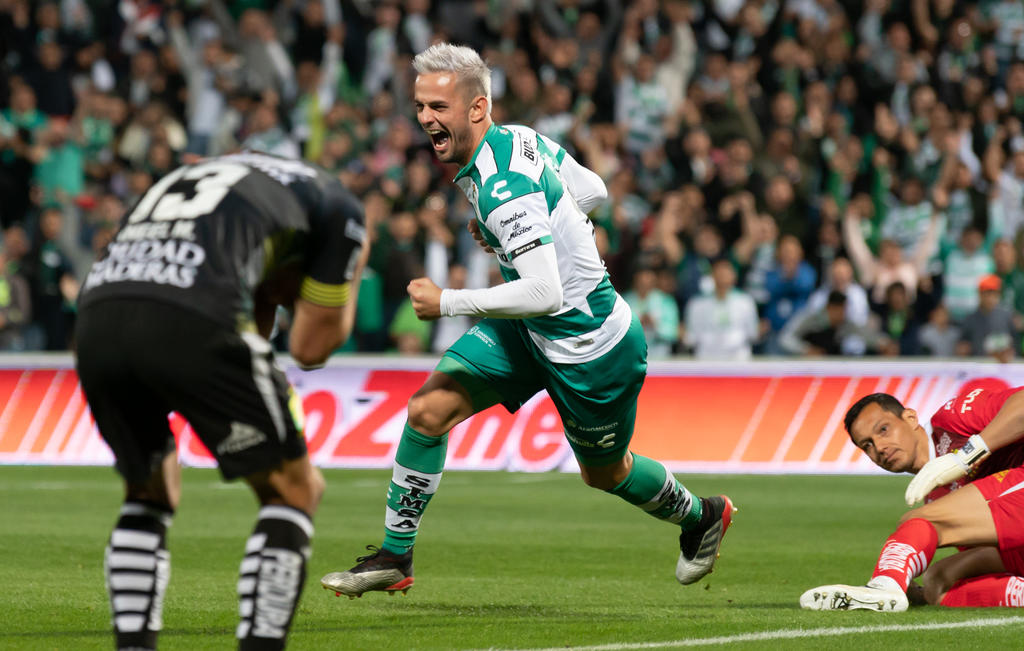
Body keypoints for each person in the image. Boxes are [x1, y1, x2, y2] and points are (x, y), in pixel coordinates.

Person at [321, 43, 734, 599]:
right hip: (531, 330)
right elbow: (594, 191)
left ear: (477, 108)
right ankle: (396, 557)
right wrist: (542, 228)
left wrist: (448, 300)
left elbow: (544, 290)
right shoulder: (519, 138)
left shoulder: (502, 189)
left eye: (438, 107)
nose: (425, 119)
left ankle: (701, 516)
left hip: (590, 346)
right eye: (420, 106)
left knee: (606, 473)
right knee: (428, 410)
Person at [75, 151, 368, 650]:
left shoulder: (201, 178)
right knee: (295, 489)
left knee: (150, 490)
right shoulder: (338, 206)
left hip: (97, 317)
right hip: (195, 312)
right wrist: (352, 270)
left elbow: (256, 303)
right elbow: (309, 347)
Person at [800, 384, 1024, 611]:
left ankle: (886, 585)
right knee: (937, 581)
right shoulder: (935, 497)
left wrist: (964, 457)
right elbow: (1001, 548)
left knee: (921, 520)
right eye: (867, 445)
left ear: (910, 418)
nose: (880, 447)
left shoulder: (954, 417)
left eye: (883, 430)